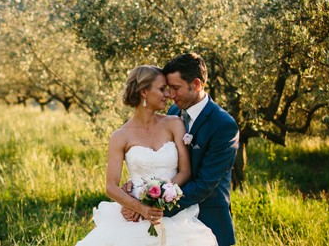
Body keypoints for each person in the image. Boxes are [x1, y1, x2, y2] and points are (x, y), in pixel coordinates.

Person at [77, 65, 217, 246]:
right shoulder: (120, 136)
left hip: (172, 213)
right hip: (134, 216)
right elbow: (111, 186)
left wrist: (160, 199)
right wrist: (139, 208)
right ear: (144, 92)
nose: (168, 95)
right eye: (162, 89)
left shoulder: (174, 124)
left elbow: (185, 172)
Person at [122, 53, 239, 245]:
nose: (170, 95)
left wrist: (149, 207)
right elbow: (163, 160)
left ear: (196, 84)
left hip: (207, 218)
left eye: (176, 88)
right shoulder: (174, 112)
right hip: (168, 220)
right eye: (167, 89)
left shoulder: (223, 125)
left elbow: (204, 184)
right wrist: (138, 186)